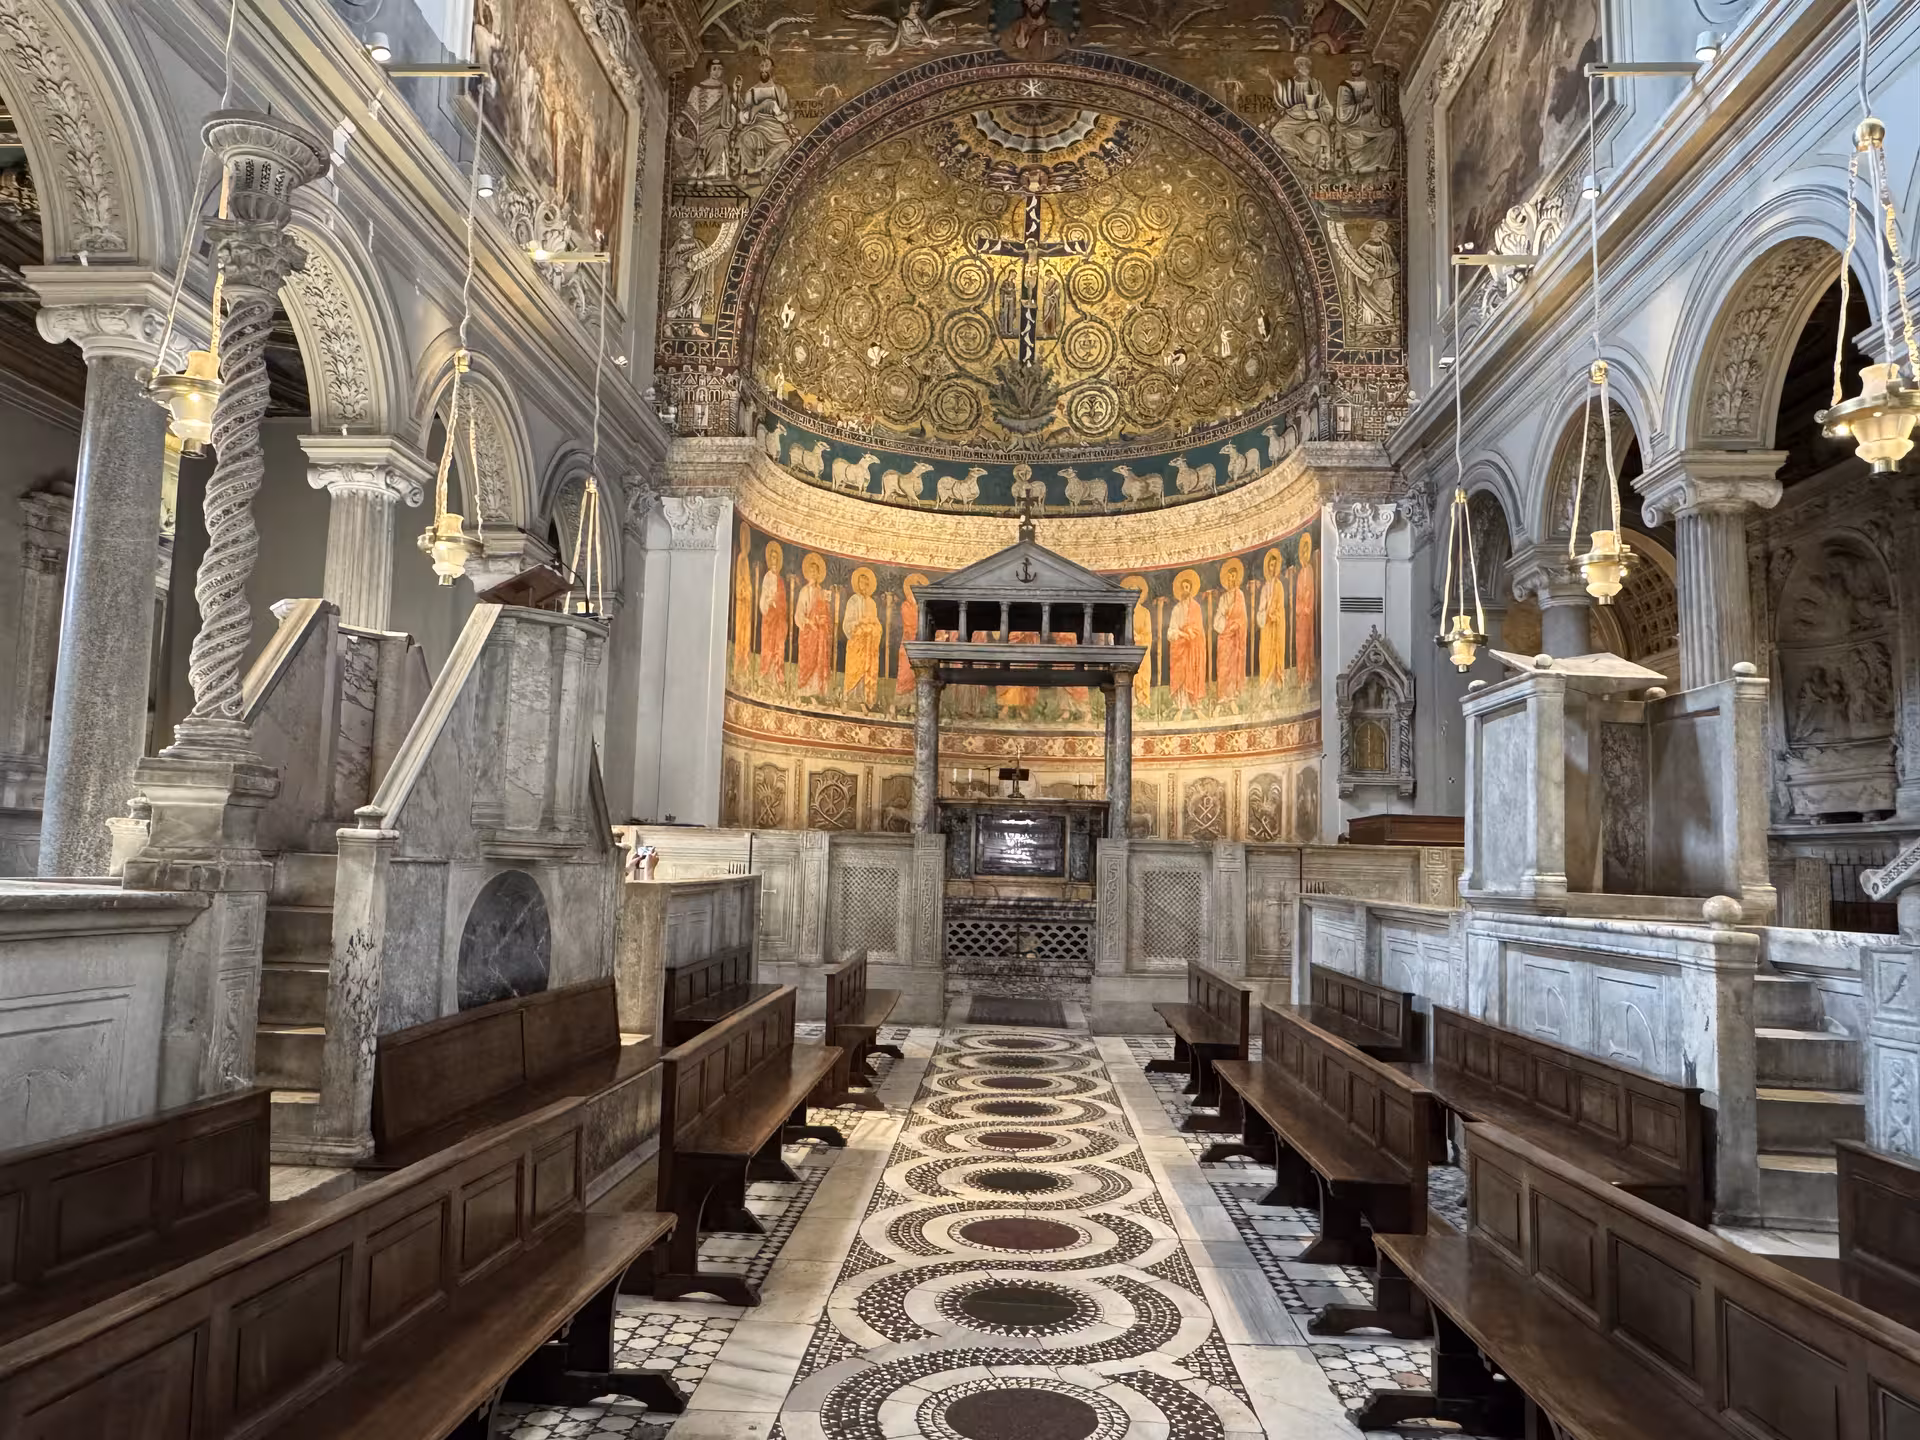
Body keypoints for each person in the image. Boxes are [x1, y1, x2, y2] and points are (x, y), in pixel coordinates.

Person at [734, 58, 797, 181]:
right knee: (747, 139)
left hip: (775, 128)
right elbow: (744, 115)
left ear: (772, 69)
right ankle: (748, 169)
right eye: (761, 66)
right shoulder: (751, 92)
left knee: (786, 144)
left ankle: (763, 167)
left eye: (766, 66)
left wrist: (777, 110)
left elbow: (788, 114)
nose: (763, 69)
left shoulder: (779, 90)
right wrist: (758, 107)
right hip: (757, 125)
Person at [1269, 55, 1333, 173]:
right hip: (1292, 119)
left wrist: (1316, 114)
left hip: (1311, 121)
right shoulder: (1288, 84)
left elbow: (1327, 107)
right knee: (1275, 135)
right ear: (1296, 67)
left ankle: (1311, 165)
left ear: (1309, 68)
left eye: (1305, 65)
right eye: (1300, 64)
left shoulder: (1316, 85)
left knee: (1314, 137)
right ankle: (1297, 159)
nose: (1303, 67)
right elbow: (1281, 104)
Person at [1167, 570, 1208, 717]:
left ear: (1190, 589)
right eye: (1182, 587)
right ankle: (1181, 706)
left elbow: (1199, 628)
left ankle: (1195, 705)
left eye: (1187, 587)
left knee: (1193, 673)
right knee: (1181, 674)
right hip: (1180, 647)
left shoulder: (1196, 607)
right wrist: (1183, 634)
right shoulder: (1176, 609)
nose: (1185, 590)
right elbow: (1171, 631)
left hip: (1193, 647)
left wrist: (1193, 633)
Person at [842, 567, 884, 708]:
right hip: (856, 641)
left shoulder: (872, 603)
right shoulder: (853, 601)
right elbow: (847, 622)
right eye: (861, 583)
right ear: (857, 584)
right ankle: (849, 697)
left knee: (866, 670)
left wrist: (875, 629)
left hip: (868, 644)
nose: (864, 586)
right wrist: (859, 625)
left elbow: (876, 621)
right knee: (854, 668)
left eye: (867, 584)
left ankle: (863, 699)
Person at [1213, 556, 1248, 705]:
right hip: (1224, 636)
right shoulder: (1223, 598)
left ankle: (1232, 693)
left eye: (1234, 577)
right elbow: (1218, 617)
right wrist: (1225, 625)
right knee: (1223, 665)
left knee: (1234, 664)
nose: (1232, 580)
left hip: (1236, 637)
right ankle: (1222, 695)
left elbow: (1243, 618)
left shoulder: (1240, 595)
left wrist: (1237, 625)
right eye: (1229, 577)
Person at [758, 540, 788, 683]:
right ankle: (765, 674)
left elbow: (784, 603)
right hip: (769, 617)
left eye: (776, 558)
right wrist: (770, 602)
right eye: (772, 558)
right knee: (768, 645)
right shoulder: (767, 577)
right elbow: (763, 598)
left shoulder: (781, 580)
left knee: (778, 647)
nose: (774, 561)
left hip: (779, 619)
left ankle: (777, 677)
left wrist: (779, 602)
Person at [1257, 548, 1287, 684]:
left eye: (1275, 565)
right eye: (1270, 565)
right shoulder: (1264, 588)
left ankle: (1277, 679)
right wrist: (1265, 614)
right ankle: (1265, 683)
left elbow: (1281, 606)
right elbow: (1261, 609)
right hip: (1267, 626)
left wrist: (1276, 615)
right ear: (1267, 567)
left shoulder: (1279, 586)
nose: (1272, 568)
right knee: (1265, 653)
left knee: (1277, 651)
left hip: (1277, 625)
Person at [1293, 532, 1317, 688]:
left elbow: (1309, 592)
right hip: (1300, 615)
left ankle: (1307, 675)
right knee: (1300, 644)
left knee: (1307, 644)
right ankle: (1301, 676)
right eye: (1301, 552)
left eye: (1305, 551)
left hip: (1306, 614)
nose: (1303, 555)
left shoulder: (1309, 570)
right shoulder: (1301, 572)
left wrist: (1305, 607)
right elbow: (1298, 597)